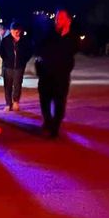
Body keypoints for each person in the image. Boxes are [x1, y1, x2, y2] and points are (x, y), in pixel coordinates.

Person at [35, 9, 80, 137]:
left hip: (61, 76)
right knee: (45, 101)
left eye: (61, 18)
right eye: (56, 18)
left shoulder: (72, 37)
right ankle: (47, 122)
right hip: (46, 75)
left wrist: (67, 33)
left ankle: (55, 127)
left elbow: (74, 51)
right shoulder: (49, 34)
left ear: (68, 20)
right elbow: (39, 48)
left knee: (59, 103)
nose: (57, 21)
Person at [0, 21, 33, 111]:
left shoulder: (24, 41)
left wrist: (23, 60)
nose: (16, 32)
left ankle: (16, 101)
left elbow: (29, 52)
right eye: (14, 30)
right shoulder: (6, 40)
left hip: (19, 67)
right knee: (7, 85)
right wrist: (6, 60)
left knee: (17, 85)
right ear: (10, 30)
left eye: (18, 30)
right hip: (8, 66)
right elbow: (1, 52)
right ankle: (8, 103)